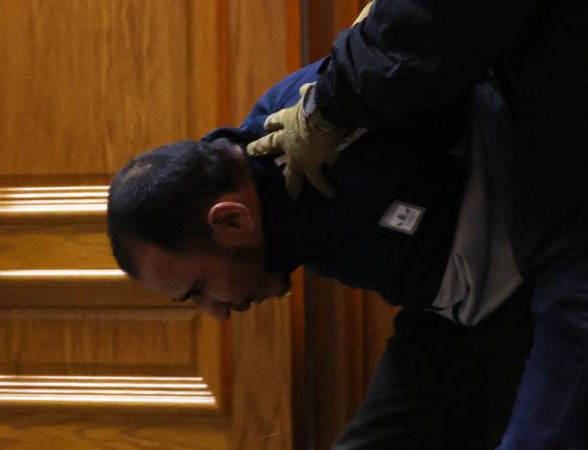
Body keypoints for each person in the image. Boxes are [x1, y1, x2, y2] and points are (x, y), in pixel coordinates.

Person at [108, 57, 541, 449]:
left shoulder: (325, 118)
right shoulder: (274, 216)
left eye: (200, 289)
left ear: (232, 221)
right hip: (451, 313)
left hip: (537, 281)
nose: (217, 312)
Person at [246, 2, 588, 449]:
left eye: (197, 289)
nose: (213, 312)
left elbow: (427, 22)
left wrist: (325, 109)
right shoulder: (284, 151)